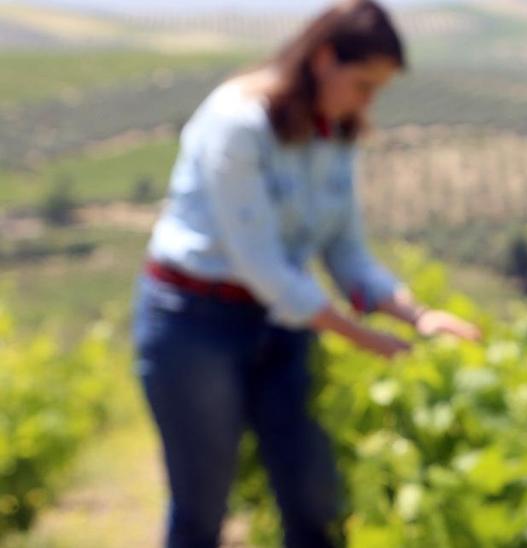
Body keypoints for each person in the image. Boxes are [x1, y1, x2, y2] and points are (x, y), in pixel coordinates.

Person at [130, 2, 480, 546]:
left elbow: (346, 252)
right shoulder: (237, 122)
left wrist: (418, 314)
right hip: (194, 322)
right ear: (323, 59)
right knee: (200, 510)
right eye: (363, 85)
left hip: (280, 325)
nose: (367, 102)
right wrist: (361, 336)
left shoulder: (333, 135)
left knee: (312, 496)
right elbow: (261, 263)